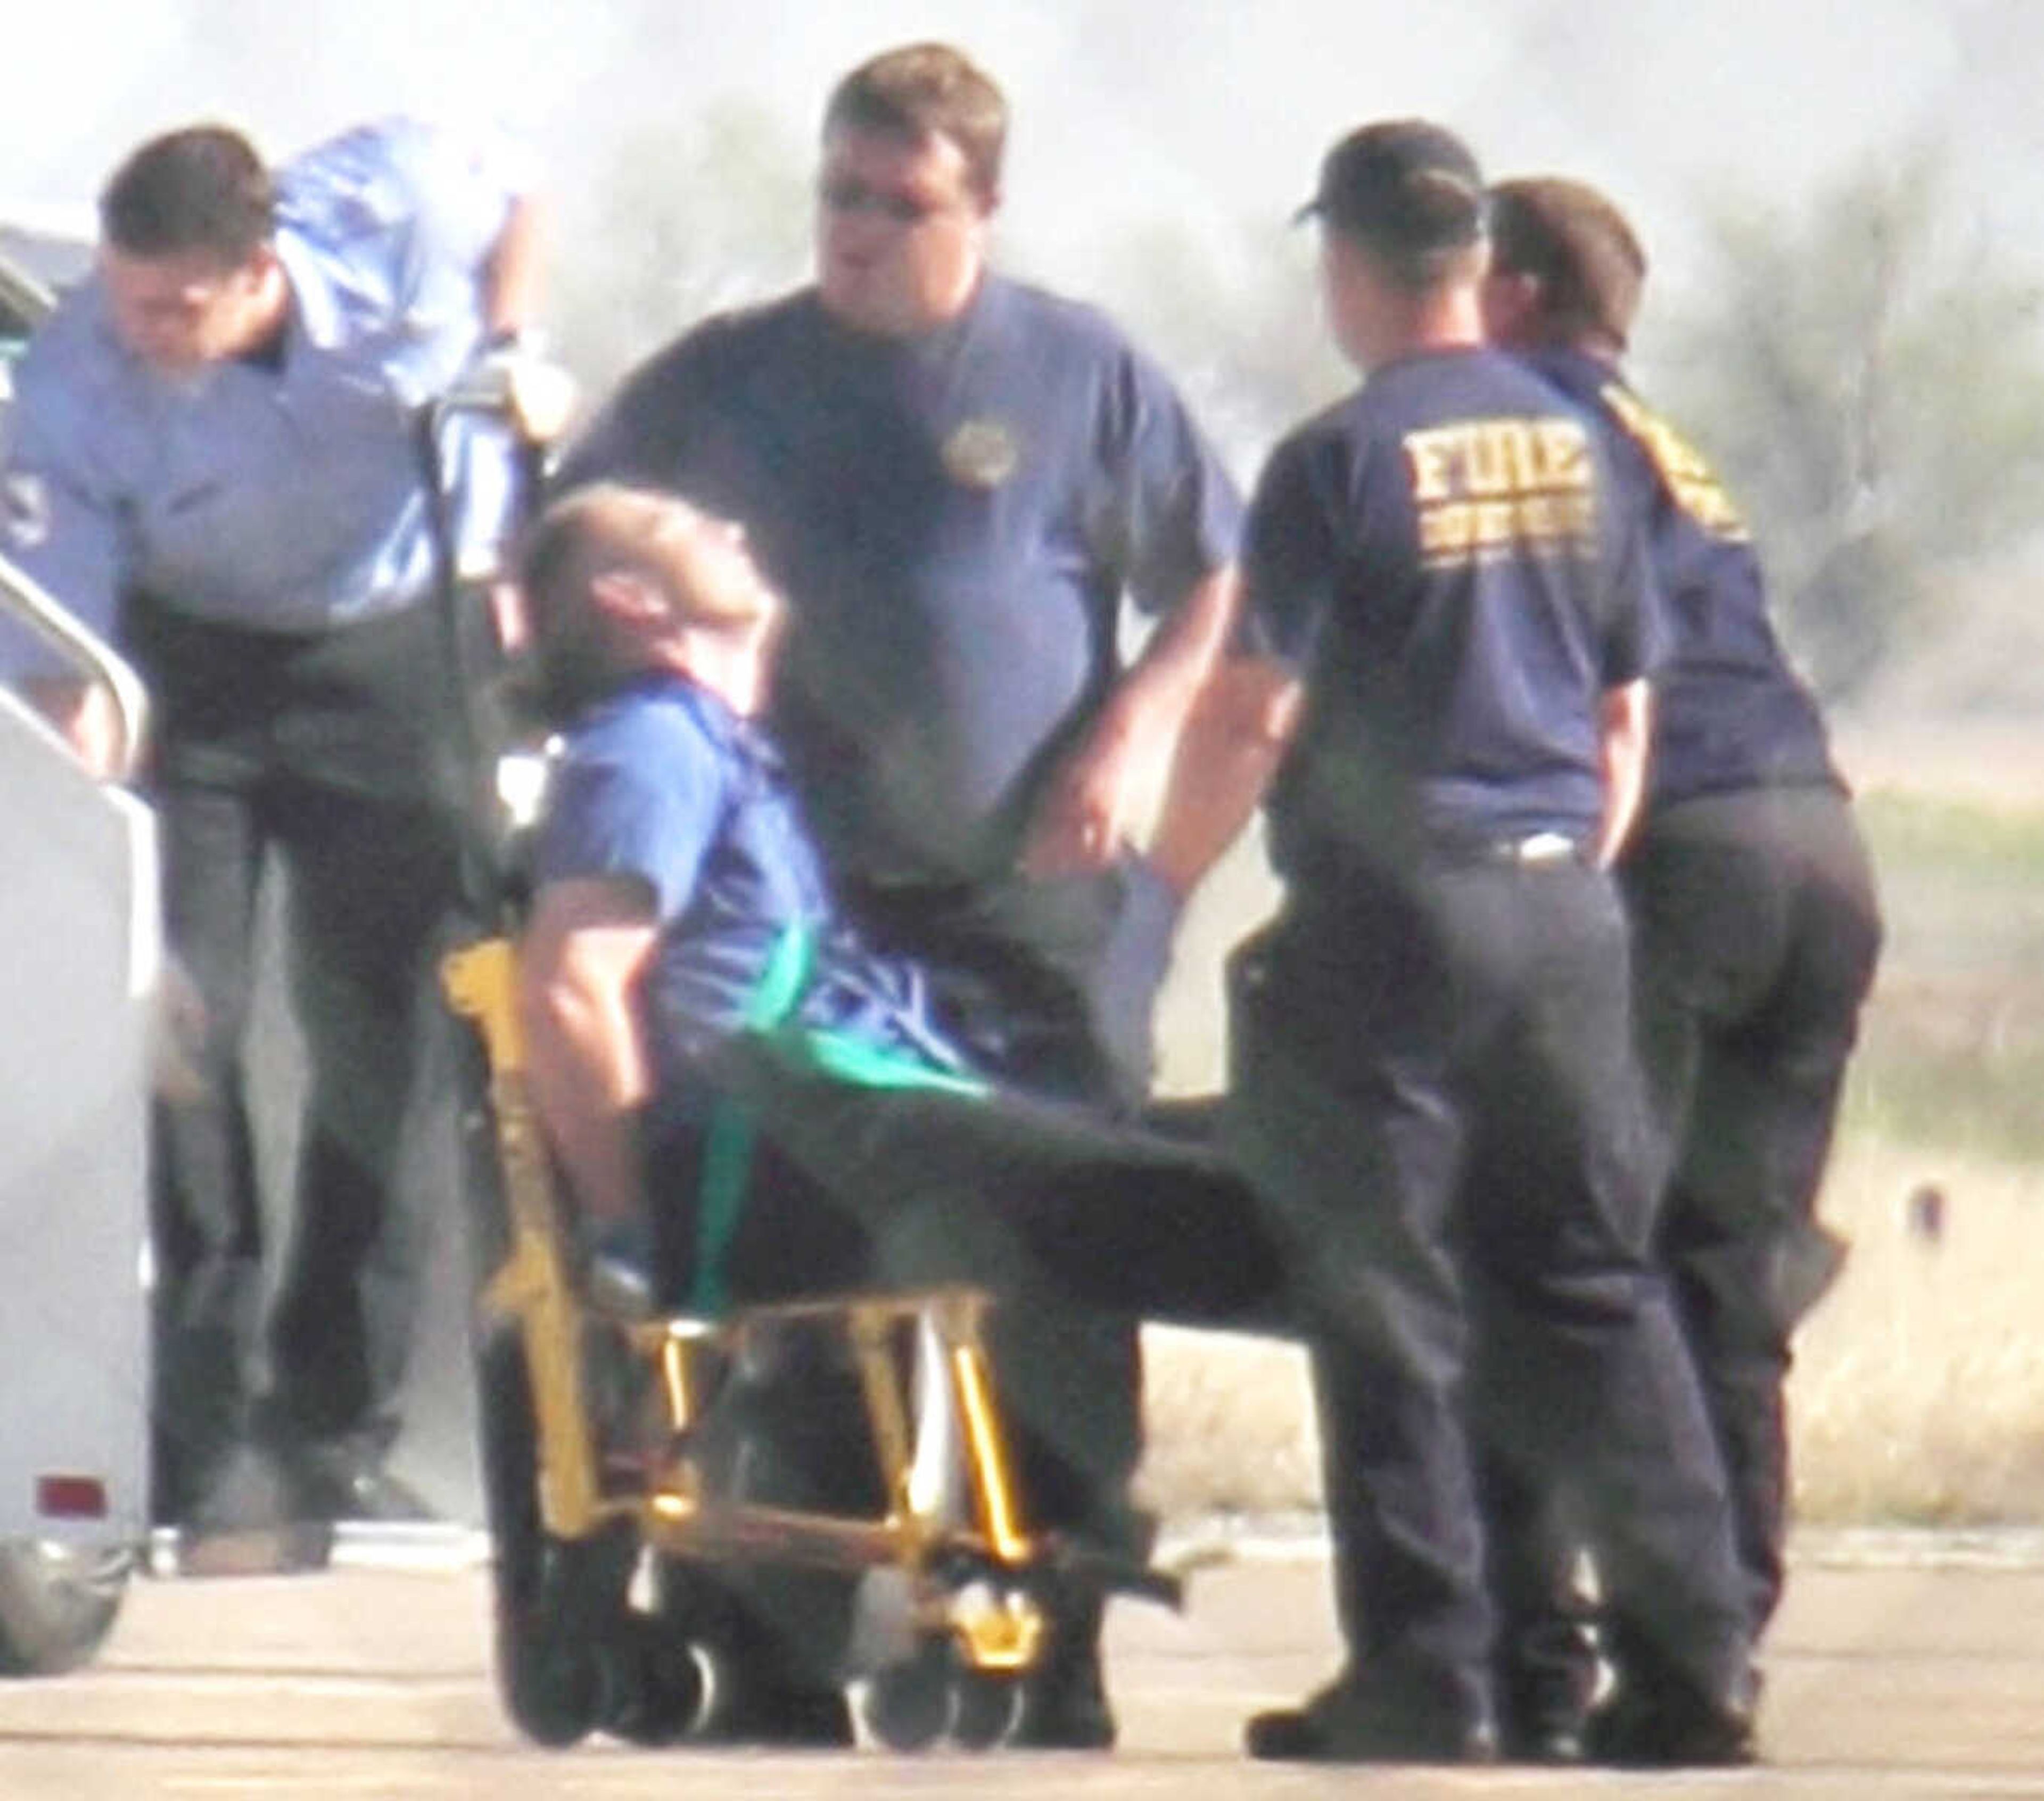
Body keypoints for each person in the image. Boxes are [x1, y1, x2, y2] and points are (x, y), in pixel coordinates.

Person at [551, 41, 1243, 1744]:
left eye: (900, 203)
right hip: (817, 909)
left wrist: (1135, 736)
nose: (858, 232)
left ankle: (1057, 1644)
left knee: (1066, 1261)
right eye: (839, 197)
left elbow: (1225, 576)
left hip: (1031, 902)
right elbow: (568, 530)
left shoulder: (1081, 377)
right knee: (816, 1273)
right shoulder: (731, 380)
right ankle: (782, 1639)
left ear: (980, 211)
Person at [510, 480, 1279, 1742]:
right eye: (689, 530)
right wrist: (632, 1232)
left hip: (846, 1114)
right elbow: (571, 983)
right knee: (1153, 1197)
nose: (736, 526)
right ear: (629, 602)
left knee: (1189, 1158)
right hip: (783, 1143)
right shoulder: (651, 742)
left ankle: (1347, 1232)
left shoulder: (712, 744)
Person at [1221, 119, 1757, 1766]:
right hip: (1561, 908)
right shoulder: (1585, 440)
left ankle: (1428, 1668)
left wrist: (1163, 883)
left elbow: (1253, 709)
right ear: (1473, 260)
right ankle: (1695, 1667)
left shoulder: (1337, 458)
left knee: (1385, 1295)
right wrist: (1566, 885)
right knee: (1592, 1283)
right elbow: (1622, 712)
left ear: (1354, 263)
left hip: (1401, 912)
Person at [0, 117, 544, 1533]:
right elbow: (76, 661)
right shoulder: (73, 376)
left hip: (395, 648)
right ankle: (194, 1390)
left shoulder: (396, 210)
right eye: (127, 297)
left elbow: (515, 195)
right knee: (179, 1020)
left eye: (175, 306)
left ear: (259, 272)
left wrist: (512, 345)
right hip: (193, 669)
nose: (143, 329)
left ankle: (334, 1412)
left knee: (388, 1036)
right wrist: (91, 825)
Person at [1479, 174, 1883, 1720]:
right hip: (1815, 843)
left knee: (1588, 1244)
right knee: (1727, 1265)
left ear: (1511, 292)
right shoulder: (1664, 439)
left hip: (1685, 848)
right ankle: (1728, 1624)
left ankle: (1633, 1629)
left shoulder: (1517, 424)